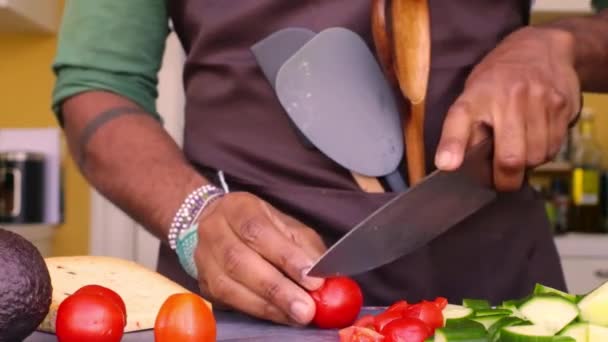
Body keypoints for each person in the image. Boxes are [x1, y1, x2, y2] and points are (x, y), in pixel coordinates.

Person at [52, 0, 608, 327]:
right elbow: (98, 84)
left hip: (496, 293)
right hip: (245, 298)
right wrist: (194, 216)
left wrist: (560, 46)